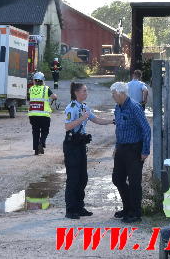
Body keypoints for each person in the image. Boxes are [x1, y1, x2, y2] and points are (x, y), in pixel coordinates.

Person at [63, 82, 113, 219]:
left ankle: (79, 207)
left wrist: (111, 121)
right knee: (73, 178)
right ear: (76, 93)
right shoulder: (71, 107)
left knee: (82, 178)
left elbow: (96, 119)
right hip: (71, 145)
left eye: (86, 91)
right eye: (84, 91)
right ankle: (71, 210)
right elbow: (67, 127)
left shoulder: (84, 107)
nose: (86, 93)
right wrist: (81, 119)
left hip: (80, 144)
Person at [110, 81, 151, 223]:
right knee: (117, 179)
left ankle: (135, 213)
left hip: (134, 149)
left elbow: (146, 129)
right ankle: (127, 208)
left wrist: (145, 150)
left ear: (121, 93)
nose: (112, 96)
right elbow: (119, 128)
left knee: (134, 182)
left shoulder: (134, 107)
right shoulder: (118, 107)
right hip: (121, 147)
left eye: (114, 94)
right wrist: (116, 146)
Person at [28, 72, 57, 155]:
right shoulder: (46, 89)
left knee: (35, 131)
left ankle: (36, 150)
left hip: (33, 115)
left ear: (34, 80)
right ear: (43, 80)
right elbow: (53, 97)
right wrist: (55, 96)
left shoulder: (31, 89)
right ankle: (41, 143)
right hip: (44, 115)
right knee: (45, 131)